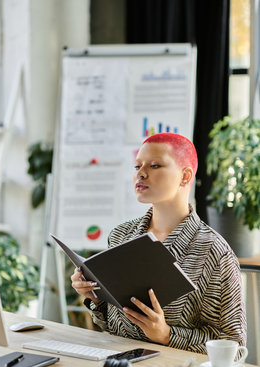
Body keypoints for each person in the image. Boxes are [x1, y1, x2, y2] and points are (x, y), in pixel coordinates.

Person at [71, 133, 247, 354]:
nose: (141, 173)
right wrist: (92, 296)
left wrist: (167, 335)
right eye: (137, 167)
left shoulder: (215, 253)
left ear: (185, 176)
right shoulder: (120, 236)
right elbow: (112, 325)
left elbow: (235, 347)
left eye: (155, 165)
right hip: (117, 365)